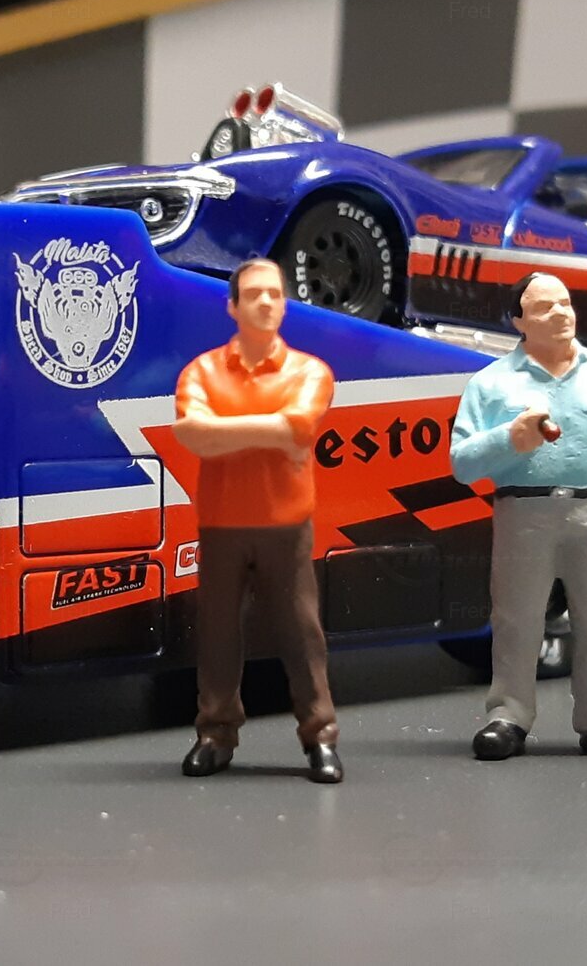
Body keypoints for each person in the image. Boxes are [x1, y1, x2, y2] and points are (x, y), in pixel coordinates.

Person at [449, 272, 587, 761]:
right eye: (544, 307)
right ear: (518, 321)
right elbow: (462, 463)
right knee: (517, 620)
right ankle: (509, 715)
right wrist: (508, 440)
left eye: (564, 303)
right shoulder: (491, 383)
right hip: (525, 514)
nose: (560, 313)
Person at [172, 258, 341, 783]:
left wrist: (225, 431)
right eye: (253, 294)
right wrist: (275, 432)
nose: (266, 302)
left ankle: (320, 736)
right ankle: (215, 734)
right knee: (217, 634)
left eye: (274, 293)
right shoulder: (202, 371)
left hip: (285, 527)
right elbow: (193, 435)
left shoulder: (309, 371)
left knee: (301, 633)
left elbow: (301, 425)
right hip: (221, 525)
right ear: (233, 306)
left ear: (285, 304)